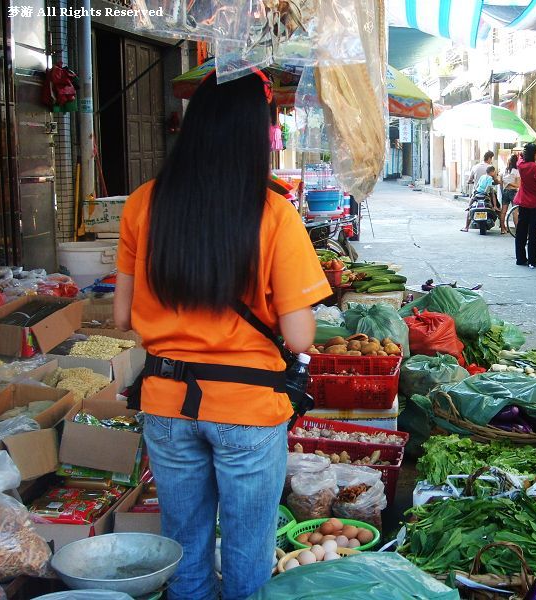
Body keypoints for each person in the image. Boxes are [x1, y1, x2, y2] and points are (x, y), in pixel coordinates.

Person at [113, 72, 332, 600]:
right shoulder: (274, 213)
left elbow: (123, 315)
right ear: (255, 136)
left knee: (183, 550)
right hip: (248, 410)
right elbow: (301, 337)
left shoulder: (144, 202)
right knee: (247, 552)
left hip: (167, 403)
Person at [514, 143, 536, 267]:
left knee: (521, 231)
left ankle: (520, 259)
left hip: (523, 202)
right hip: (534, 203)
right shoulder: (533, 166)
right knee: (533, 232)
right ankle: (532, 261)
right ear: (533, 154)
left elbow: (520, 156)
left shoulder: (520, 164)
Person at [461, 166, 499, 232]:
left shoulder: (482, 176)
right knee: (493, 195)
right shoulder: (490, 178)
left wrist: (476, 191)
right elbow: (489, 186)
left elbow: (477, 185)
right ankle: (495, 206)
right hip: (485, 194)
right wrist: (486, 193)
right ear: (492, 172)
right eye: (494, 172)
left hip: (478, 193)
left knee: (471, 203)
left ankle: (466, 227)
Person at [500, 154, 520, 234]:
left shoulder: (503, 170)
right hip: (513, 192)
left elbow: (501, 183)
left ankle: (502, 229)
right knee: (515, 211)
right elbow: (518, 185)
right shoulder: (516, 171)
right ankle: (517, 230)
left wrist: (505, 186)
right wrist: (510, 184)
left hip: (505, 192)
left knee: (503, 211)